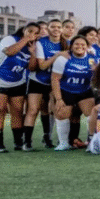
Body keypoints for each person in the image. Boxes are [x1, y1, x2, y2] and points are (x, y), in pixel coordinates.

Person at [0, 23, 40, 152]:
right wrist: (25, 39)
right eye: (30, 31)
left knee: (17, 111)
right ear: (23, 30)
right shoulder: (10, 39)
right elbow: (9, 52)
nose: (33, 34)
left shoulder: (34, 46)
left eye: (36, 33)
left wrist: (33, 53)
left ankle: (18, 142)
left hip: (17, 82)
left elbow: (32, 68)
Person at [51, 36, 97, 151]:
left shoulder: (92, 59)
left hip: (84, 91)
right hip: (66, 90)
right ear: (71, 46)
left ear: (87, 47)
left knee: (93, 114)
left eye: (83, 44)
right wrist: (59, 99)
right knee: (61, 113)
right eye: (76, 44)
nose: (79, 46)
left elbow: (97, 77)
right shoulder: (63, 59)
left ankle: (92, 141)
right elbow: (55, 79)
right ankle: (63, 143)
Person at [25, 20, 65, 150]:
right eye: (53, 27)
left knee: (55, 109)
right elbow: (42, 66)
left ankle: (52, 138)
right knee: (33, 110)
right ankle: (27, 142)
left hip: (55, 82)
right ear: (48, 29)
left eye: (59, 27)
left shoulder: (66, 43)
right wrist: (57, 55)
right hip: (38, 80)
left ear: (62, 29)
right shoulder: (41, 43)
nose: (56, 29)